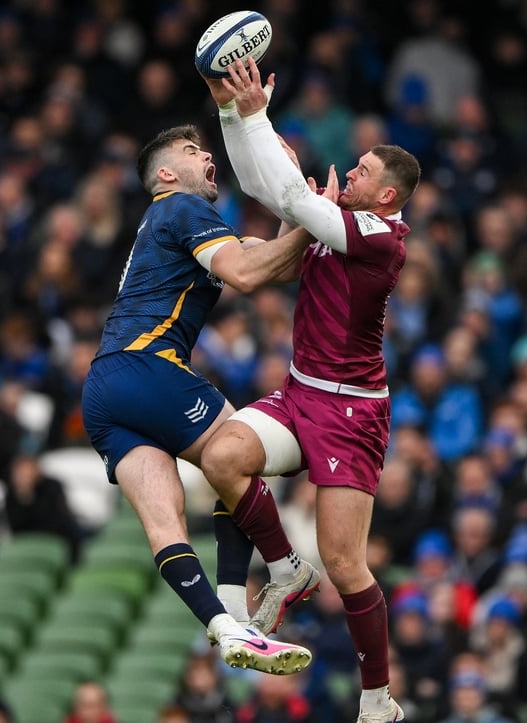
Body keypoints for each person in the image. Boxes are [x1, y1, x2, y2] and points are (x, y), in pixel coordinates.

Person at [199, 57, 421, 723]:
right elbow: (266, 184)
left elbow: (294, 201)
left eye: (361, 174)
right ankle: (285, 566)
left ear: (386, 196)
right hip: (302, 393)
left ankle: (378, 698)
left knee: (347, 563)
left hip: (352, 412)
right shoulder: (342, 214)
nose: (348, 174)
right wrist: (236, 113)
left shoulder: (380, 236)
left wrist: (261, 118)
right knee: (221, 456)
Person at [81, 123, 316, 675]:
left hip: (103, 389)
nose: (206, 154)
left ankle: (225, 625)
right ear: (167, 174)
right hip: (149, 367)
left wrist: (293, 199)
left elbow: (278, 262)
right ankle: (282, 569)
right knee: (236, 455)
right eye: (191, 151)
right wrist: (307, 208)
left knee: (166, 527)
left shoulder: (174, 223)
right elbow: (248, 274)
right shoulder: (180, 207)